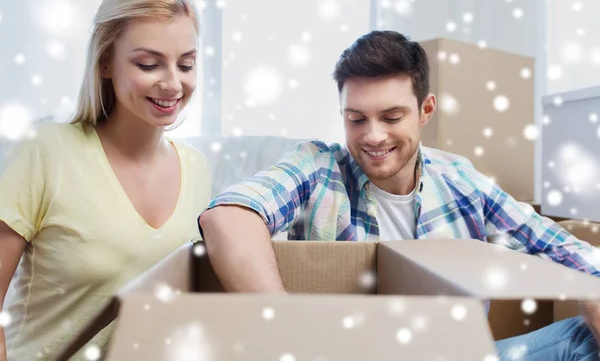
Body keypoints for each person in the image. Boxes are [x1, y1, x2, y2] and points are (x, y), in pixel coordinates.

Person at [198, 30, 600, 360]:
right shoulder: (318, 168)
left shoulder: (461, 179)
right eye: (356, 119)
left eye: (391, 117)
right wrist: (286, 330)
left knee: (584, 337)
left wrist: (591, 290)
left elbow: (565, 249)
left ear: (425, 110)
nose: (373, 136)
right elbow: (229, 215)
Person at [0, 0, 210, 361]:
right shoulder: (47, 152)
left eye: (186, 64)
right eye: (149, 64)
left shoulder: (197, 170)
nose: (172, 84)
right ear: (105, 63)